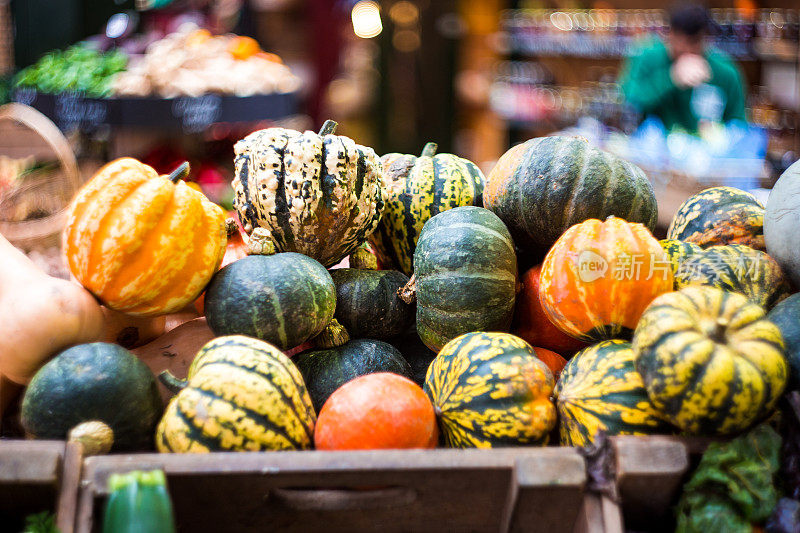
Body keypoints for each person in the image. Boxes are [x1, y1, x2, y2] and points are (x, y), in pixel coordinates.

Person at [619, 4, 747, 133]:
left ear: (706, 39)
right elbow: (630, 102)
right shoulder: (647, 57)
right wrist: (671, 78)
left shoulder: (725, 72)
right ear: (669, 34)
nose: (686, 50)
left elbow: (738, 126)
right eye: (680, 42)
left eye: (694, 42)